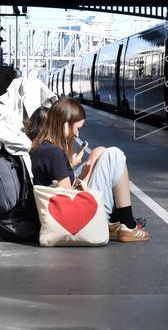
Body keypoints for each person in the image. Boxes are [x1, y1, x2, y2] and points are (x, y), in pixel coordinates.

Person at [30, 98, 149, 242]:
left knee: (99, 151)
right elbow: (68, 199)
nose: (77, 135)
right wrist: (85, 178)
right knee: (115, 155)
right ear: (65, 123)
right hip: (76, 220)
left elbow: (60, 185)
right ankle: (128, 225)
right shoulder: (53, 153)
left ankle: (114, 221)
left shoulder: (43, 147)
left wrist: (82, 170)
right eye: (78, 128)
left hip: (63, 212)